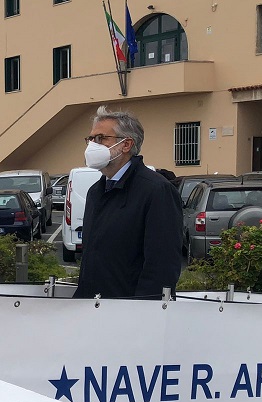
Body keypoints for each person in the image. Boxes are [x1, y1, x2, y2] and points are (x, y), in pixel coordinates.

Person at [73, 105, 183, 300]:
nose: (92, 146)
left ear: (126, 144)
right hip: (92, 309)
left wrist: (141, 313)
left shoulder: (156, 191)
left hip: (130, 313)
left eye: (100, 139)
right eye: (90, 139)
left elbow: (162, 265)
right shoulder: (95, 192)